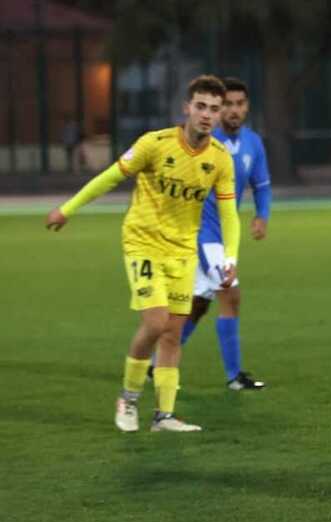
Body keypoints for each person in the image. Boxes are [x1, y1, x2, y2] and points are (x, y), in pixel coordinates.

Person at [45, 75, 241, 432]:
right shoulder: (155, 144)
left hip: (182, 251)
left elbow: (229, 213)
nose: (207, 115)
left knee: (172, 333)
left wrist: (231, 257)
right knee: (155, 323)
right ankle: (129, 398)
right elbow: (109, 177)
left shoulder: (220, 159)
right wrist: (67, 209)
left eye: (215, 109)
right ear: (187, 108)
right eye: (201, 106)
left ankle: (163, 415)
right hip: (144, 242)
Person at [168, 76, 272, 391]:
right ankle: (234, 377)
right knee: (231, 294)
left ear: (247, 106)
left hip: (222, 233)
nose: (233, 110)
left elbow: (262, 186)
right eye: (227, 104)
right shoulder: (205, 143)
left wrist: (261, 216)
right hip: (201, 232)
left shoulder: (253, 143)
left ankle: (157, 361)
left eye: (239, 104)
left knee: (199, 303)